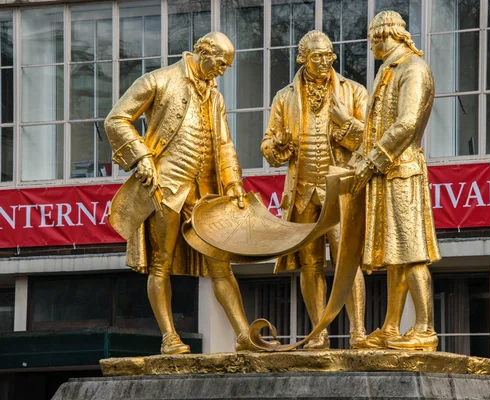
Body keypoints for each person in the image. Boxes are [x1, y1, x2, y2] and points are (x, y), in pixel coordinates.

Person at [105, 31, 263, 354]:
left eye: (226, 66)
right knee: (160, 264)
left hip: (206, 194)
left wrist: (233, 182)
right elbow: (116, 119)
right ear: (203, 52)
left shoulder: (215, 97)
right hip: (166, 187)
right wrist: (142, 157)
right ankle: (169, 337)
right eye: (220, 63)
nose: (222, 71)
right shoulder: (159, 81)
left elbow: (223, 144)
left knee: (221, 264)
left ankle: (245, 336)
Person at [261, 30, 367, 349]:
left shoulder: (353, 92)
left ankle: (358, 331)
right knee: (310, 265)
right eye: (317, 56)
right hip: (302, 191)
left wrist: (346, 123)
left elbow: (373, 138)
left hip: (339, 189)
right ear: (302, 58)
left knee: (347, 261)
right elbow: (267, 146)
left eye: (329, 55)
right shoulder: (284, 96)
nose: (324, 62)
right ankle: (319, 331)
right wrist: (278, 145)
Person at [350, 11, 442, 351]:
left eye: (371, 39)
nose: (370, 46)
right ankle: (391, 327)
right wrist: (360, 159)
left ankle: (424, 328)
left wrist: (372, 160)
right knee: (395, 252)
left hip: (402, 171)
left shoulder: (413, 69)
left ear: (380, 35)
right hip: (385, 172)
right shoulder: (388, 70)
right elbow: (374, 127)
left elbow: (405, 124)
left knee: (413, 250)